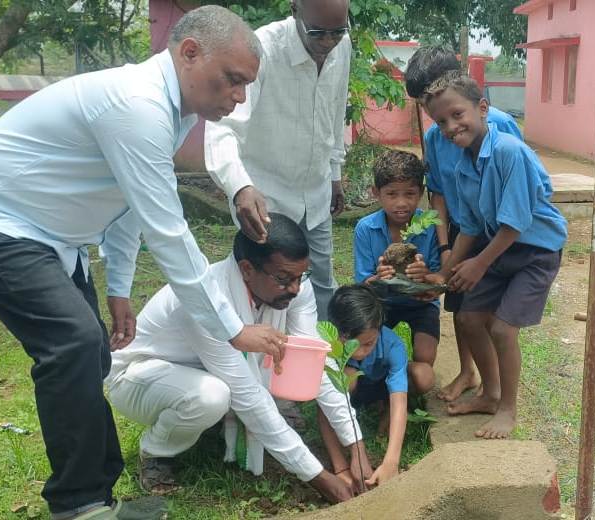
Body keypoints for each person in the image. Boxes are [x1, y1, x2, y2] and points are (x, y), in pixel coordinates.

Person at [0, 7, 285, 519]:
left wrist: (119, 288)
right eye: (233, 80)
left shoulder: (171, 111)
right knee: (72, 343)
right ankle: (80, 506)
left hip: (49, 232)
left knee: (90, 352)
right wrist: (232, 329)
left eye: (246, 85)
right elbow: (167, 231)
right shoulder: (137, 106)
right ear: (189, 53)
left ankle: (97, 496)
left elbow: (126, 203)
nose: (239, 97)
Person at [107, 214, 367, 502]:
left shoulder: (295, 287)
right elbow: (247, 394)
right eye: (284, 279)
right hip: (139, 378)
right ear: (246, 269)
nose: (294, 288)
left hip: (203, 369)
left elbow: (317, 363)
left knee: (289, 362)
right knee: (212, 397)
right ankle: (156, 450)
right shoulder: (203, 300)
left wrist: (356, 444)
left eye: (300, 277)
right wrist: (318, 477)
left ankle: (216, 426)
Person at [421, 72, 567, 439]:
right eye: (441, 122)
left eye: (457, 115)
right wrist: (446, 271)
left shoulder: (508, 152)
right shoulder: (461, 164)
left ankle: (507, 410)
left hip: (535, 252)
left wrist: (479, 264)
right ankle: (489, 393)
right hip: (498, 248)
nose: (451, 127)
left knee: (502, 328)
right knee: (470, 318)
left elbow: (516, 222)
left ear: (482, 108)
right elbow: (469, 225)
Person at [205, 0, 352, 320]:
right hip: (265, 202)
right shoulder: (263, 51)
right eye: (318, 33)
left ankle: (325, 362)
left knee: (323, 285)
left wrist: (334, 172)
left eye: (337, 32)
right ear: (294, 9)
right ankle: (264, 360)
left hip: (316, 195)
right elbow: (222, 129)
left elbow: (336, 110)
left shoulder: (343, 45)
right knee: (267, 290)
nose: (328, 43)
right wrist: (240, 187)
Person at [404, 46, 524, 403]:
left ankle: (496, 385)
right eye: (429, 110)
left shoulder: (497, 125)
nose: (440, 119)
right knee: (458, 305)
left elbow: (514, 188)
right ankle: (468, 372)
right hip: (462, 229)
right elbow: (438, 194)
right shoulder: (433, 138)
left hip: (495, 231)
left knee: (485, 310)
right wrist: (444, 247)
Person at [353, 149, 438, 395]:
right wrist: (379, 278)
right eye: (391, 194)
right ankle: (383, 381)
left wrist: (425, 274)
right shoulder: (366, 229)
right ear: (376, 193)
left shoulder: (430, 226)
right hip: (382, 302)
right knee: (367, 352)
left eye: (410, 194)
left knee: (425, 357)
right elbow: (363, 284)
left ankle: (400, 382)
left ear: (421, 193)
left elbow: (439, 281)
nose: (401, 203)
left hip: (421, 304)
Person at [318, 284, 409, 487]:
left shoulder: (393, 345)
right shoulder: (328, 345)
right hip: (352, 386)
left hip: (378, 387)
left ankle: (382, 410)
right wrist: (341, 467)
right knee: (339, 385)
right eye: (353, 344)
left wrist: (390, 463)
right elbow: (325, 403)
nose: (360, 352)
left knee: (421, 377)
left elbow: (400, 401)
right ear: (339, 333)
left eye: (369, 343)